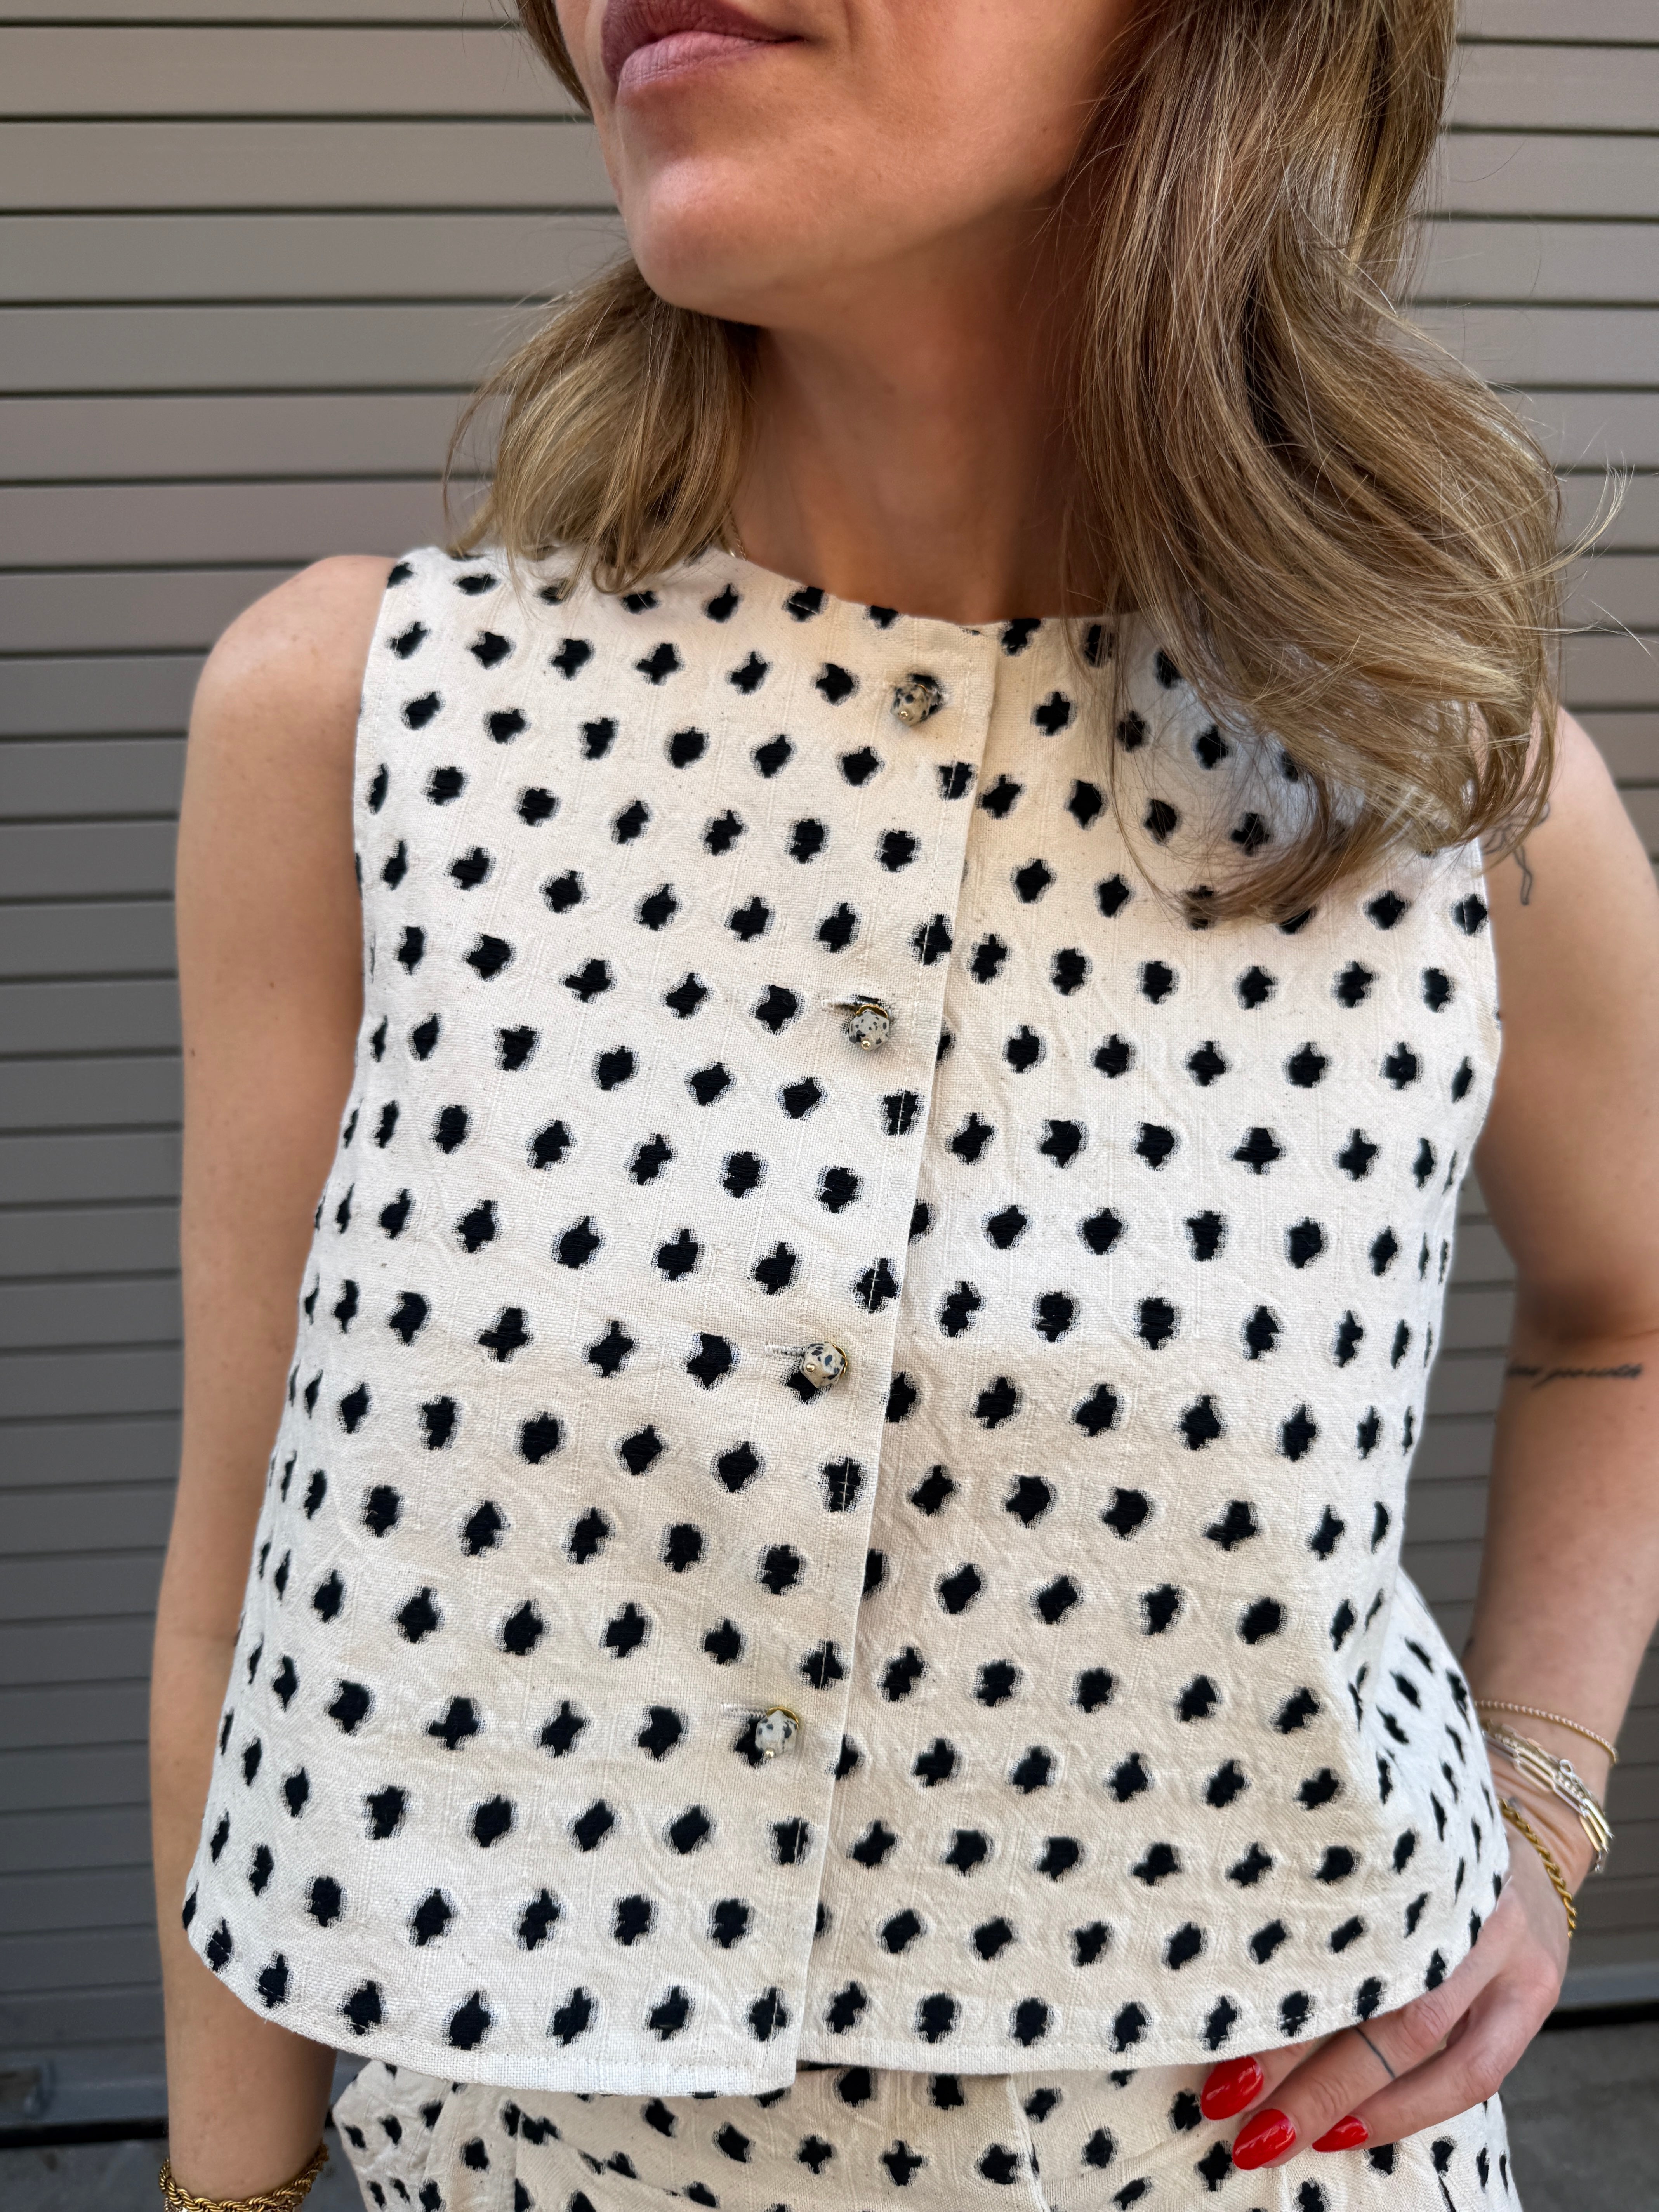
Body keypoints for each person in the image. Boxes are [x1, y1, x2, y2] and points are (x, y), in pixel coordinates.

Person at [150, 2, 1659, 2207]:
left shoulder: (1436, 789)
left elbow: (1630, 1311)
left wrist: (1537, 1792)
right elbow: (244, 1575)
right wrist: (221, 2194)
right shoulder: (356, 722)